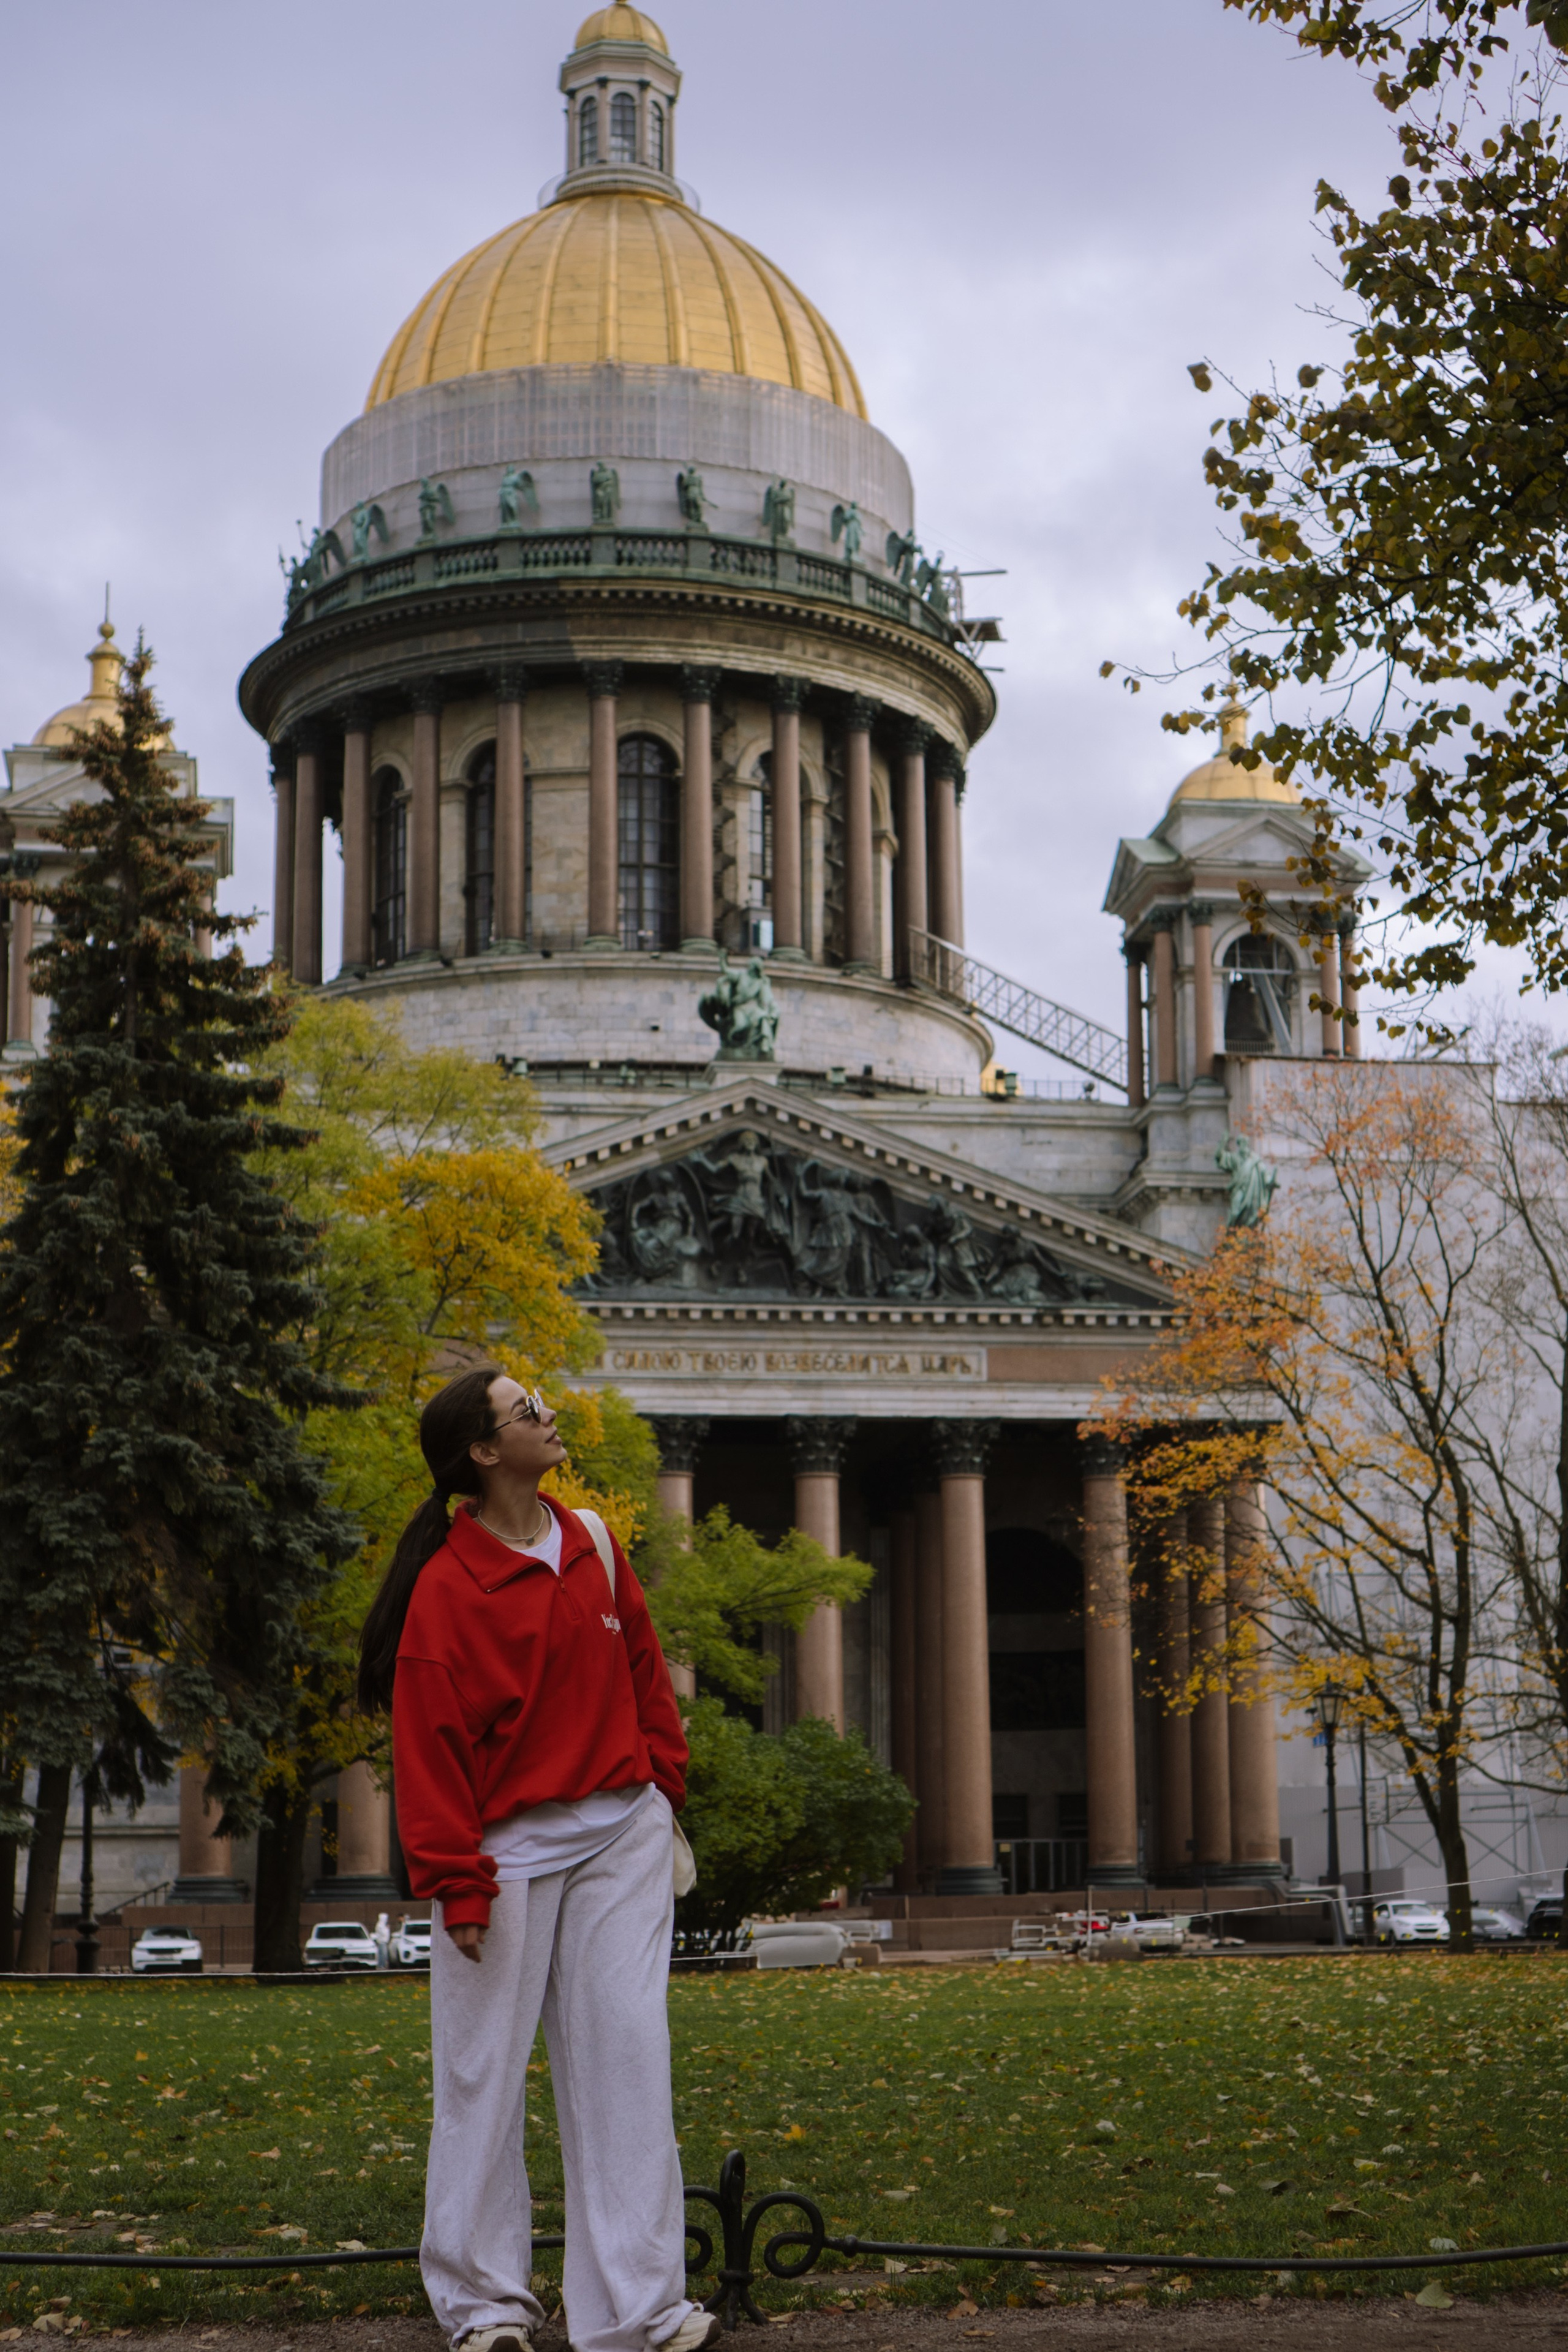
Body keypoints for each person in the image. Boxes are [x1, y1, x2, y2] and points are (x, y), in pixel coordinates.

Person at [358, 1363, 711, 2352]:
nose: (549, 1416)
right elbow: (428, 1750)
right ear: (482, 1451)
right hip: (503, 1853)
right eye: (526, 1411)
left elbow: (645, 1669)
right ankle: (484, 2308)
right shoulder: (445, 1587)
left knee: (629, 2065)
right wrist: (458, 1883)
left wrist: (659, 1787)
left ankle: (642, 2312)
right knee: (482, 2074)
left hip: (619, 1838)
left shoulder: (593, 1540)